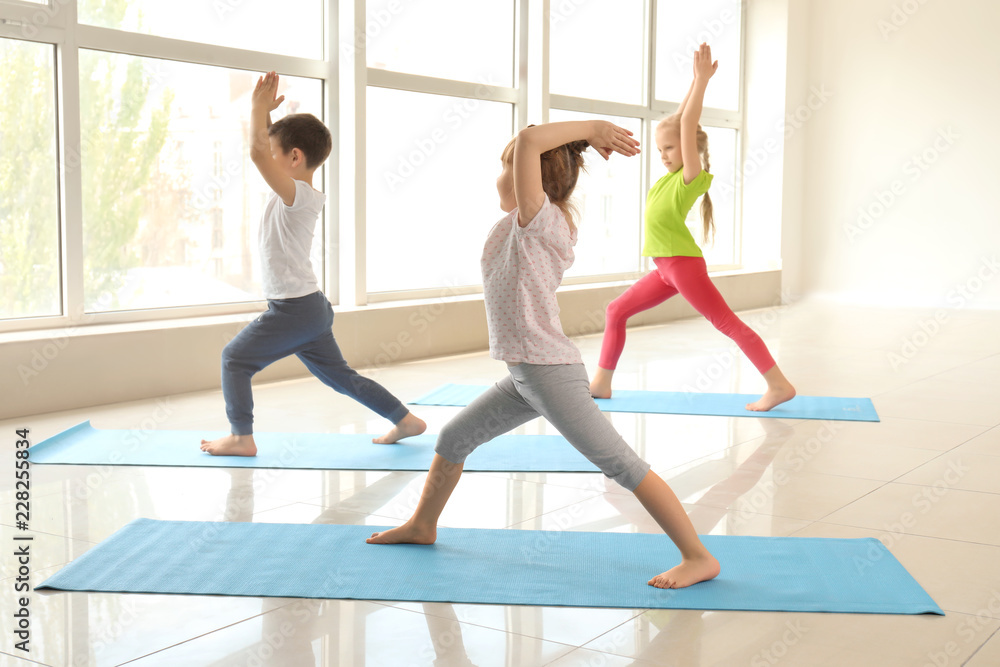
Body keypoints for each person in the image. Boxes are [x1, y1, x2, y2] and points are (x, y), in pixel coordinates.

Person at [366, 119, 720, 589]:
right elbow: (532, 143)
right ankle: (421, 525)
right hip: (524, 374)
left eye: (506, 168)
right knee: (453, 439)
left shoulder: (542, 219)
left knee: (622, 466)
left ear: (528, 177)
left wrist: (592, 129)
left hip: (548, 372)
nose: (499, 176)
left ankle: (698, 556)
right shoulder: (522, 221)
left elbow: (532, 140)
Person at [200, 71, 425, 456]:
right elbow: (269, 148)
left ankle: (242, 437)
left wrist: (254, 109)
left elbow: (259, 152)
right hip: (308, 308)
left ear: (294, 158)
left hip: (294, 310)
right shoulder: (296, 190)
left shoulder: (297, 196)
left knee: (234, 359)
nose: (265, 162)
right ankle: (405, 420)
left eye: (276, 156)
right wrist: (267, 116)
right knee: (340, 378)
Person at [589, 43, 796, 412]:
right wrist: (693, 83)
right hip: (666, 269)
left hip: (682, 265)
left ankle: (778, 385)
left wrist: (701, 82)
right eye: (661, 149)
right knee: (615, 311)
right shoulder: (669, 178)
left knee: (726, 322)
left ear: (689, 151)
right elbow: (680, 120)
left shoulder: (691, 177)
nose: (664, 154)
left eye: (669, 148)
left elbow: (686, 124)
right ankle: (602, 382)